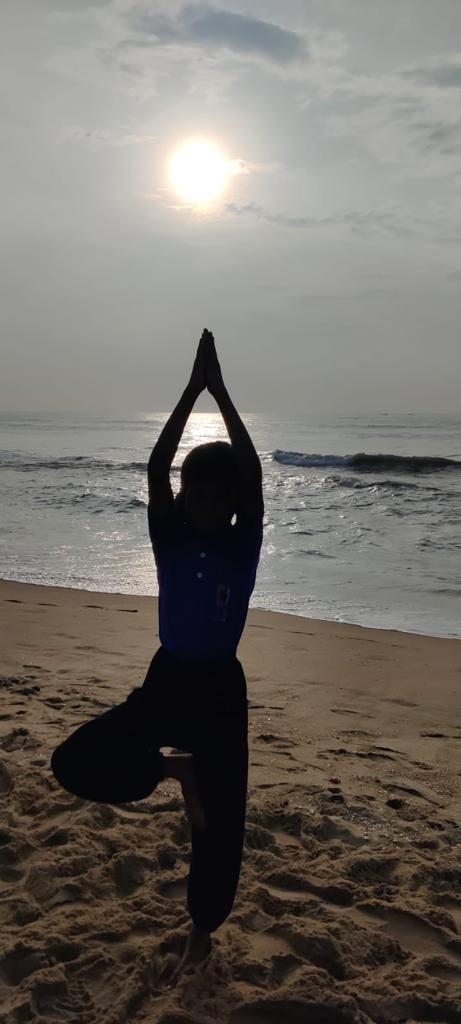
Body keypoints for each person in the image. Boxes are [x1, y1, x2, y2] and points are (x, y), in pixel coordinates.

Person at [50, 328, 264, 985]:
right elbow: (155, 467)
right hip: (167, 679)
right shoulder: (169, 541)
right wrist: (189, 390)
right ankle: (174, 771)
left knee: (221, 826)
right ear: (183, 500)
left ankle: (200, 933)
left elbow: (252, 475)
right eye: (194, 494)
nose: (204, 503)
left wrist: (222, 393)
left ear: (232, 508)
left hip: (219, 690)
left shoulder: (240, 548)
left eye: (216, 497)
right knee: (73, 761)